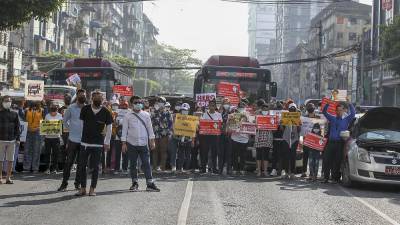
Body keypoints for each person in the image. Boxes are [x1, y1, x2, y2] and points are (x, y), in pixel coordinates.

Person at [75, 91, 113, 196]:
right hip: (85, 143)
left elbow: (109, 128)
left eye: (100, 98)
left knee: (95, 167)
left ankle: (92, 189)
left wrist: (107, 142)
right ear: (92, 98)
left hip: (98, 144)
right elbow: (81, 125)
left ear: (103, 99)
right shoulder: (85, 109)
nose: (98, 99)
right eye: (96, 97)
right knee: (82, 166)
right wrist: (81, 139)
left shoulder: (106, 111)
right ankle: (83, 188)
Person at [121, 96, 160, 192]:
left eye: (139, 102)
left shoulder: (146, 115)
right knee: (133, 164)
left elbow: (150, 128)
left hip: (143, 143)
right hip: (131, 143)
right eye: (136, 102)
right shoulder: (127, 115)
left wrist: (152, 141)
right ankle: (135, 183)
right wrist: (123, 143)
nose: (138, 104)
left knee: (146, 163)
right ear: (131, 104)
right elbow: (124, 130)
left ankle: (150, 183)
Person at [58, 89, 86, 192]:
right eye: (81, 95)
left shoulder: (88, 108)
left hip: (84, 141)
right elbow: (64, 121)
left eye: (84, 95)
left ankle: (77, 184)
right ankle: (64, 184)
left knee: (81, 164)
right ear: (77, 96)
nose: (82, 96)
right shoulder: (71, 107)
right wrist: (71, 129)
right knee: (69, 162)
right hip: (73, 140)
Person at [322, 100, 355, 184]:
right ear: (335, 111)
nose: (339, 112)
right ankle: (325, 177)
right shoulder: (332, 118)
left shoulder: (346, 119)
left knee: (337, 161)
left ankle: (334, 178)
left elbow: (353, 113)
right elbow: (324, 112)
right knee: (326, 160)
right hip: (331, 142)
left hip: (340, 143)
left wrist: (349, 104)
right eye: (338, 110)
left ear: (344, 110)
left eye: (341, 110)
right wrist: (329, 103)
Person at [0, 96, 20, 184]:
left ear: (11, 102)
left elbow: (17, 127)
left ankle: (8, 178)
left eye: (9, 101)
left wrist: (18, 138)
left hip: (12, 140)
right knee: (0, 160)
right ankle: (0, 178)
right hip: (1, 140)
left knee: (10, 160)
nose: (7, 102)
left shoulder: (15, 114)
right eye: (5, 101)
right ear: (2, 102)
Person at [151, 96, 173, 172]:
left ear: (164, 103)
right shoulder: (154, 112)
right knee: (155, 150)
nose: (160, 104)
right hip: (155, 134)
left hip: (164, 134)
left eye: (162, 102)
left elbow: (171, 124)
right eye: (159, 102)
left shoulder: (168, 113)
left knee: (163, 151)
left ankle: (162, 167)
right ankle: (154, 167)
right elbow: (150, 123)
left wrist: (169, 134)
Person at [200, 100, 222, 174]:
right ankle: (203, 169)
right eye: (210, 105)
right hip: (206, 136)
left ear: (215, 106)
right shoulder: (204, 114)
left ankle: (214, 169)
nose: (212, 107)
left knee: (214, 153)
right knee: (204, 152)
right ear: (208, 106)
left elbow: (220, 125)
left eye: (213, 105)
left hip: (215, 136)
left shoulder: (218, 115)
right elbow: (201, 124)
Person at [281, 103, 301, 179]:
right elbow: (282, 129)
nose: (292, 110)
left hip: (294, 139)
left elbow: (299, 130)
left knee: (293, 156)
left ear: (295, 110)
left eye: (294, 109)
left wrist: (298, 124)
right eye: (291, 109)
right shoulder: (285, 117)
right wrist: (281, 124)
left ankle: (292, 172)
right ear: (288, 110)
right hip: (286, 138)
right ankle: (286, 172)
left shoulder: (298, 118)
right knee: (286, 156)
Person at [301, 103, 321, 178]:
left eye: (311, 108)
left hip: (315, 141)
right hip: (306, 140)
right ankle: (304, 171)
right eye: (309, 108)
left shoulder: (318, 118)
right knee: (306, 156)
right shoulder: (304, 118)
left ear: (314, 109)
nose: (310, 109)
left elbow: (321, 129)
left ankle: (313, 173)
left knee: (314, 157)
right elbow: (302, 129)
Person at [254, 103, 274, 177]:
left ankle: (265, 171)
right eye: (263, 109)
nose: (265, 110)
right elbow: (254, 125)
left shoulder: (271, 117)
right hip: (259, 137)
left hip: (268, 138)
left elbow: (274, 128)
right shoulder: (257, 116)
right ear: (261, 109)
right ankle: (259, 170)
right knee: (258, 155)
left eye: (266, 109)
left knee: (266, 155)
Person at [230, 102, 249, 175]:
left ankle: (242, 169)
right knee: (234, 154)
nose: (241, 108)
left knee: (243, 155)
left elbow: (252, 124)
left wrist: (246, 118)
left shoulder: (248, 114)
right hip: (235, 137)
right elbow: (230, 124)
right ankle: (234, 168)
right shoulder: (233, 114)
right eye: (240, 106)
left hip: (244, 138)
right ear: (237, 107)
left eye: (242, 106)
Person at [24, 101, 43, 173]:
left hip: (38, 132)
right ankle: (26, 167)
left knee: (37, 150)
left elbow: (44, 122)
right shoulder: (26, 110)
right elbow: (23, 120)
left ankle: (35, 167)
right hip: (28, 131)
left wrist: (38, 128)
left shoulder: (42, 110)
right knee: (27, 149)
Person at [43, 104, 63, 174]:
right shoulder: (47, 116)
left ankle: (54, 168)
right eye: (52, 111)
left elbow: (61, 126)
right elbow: (44, 127)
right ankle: (47, 168)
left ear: (57, 110)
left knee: (56, 154)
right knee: (47, 153)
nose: (53, 112)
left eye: (54, 110)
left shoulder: (60, 116)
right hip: (48, 138)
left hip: (56, 137)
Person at [176, 103, 194, 173]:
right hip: (180, 139)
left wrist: (192, 141)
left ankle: (187, 169)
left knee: (188, 155)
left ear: (188, 110)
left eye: (186, 110)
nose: (184, 111)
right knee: (180, 154)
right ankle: (180, 168)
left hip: (188, 140)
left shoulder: (191, 119)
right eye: (183, 110)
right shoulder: (178, 118)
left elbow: (193, 131)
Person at [114, 100, 130, 175]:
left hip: (127, 136)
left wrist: (122, 122)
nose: (124, 106)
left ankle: (125, 168)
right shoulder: (117, 112)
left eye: (125, 105)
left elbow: (129, 122)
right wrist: (119, 121)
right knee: (117, 153)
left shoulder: (130, 112)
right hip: (118, 136)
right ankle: (116, 169)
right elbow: (115, 122)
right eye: (123, 105)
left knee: (126, 153)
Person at [218, 97, 232, 175]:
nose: (226, 105)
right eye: (225, 103)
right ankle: (220, 168)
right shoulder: (219, 113)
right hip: (221, 134)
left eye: (228, 103)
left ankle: (228, 168)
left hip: (230, 135)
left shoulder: (233, 112)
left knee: (228, 153)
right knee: (221, 152)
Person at [270, 101, 284, 176]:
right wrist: (275, 125)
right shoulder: (273, 117)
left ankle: (281, 170)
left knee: (281, 156)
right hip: (275, 139)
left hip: (282, 139)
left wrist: (281, 124)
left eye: (280, 108)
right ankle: (274, 169)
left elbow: (284, 130)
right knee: (274, 155)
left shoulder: (285, 117)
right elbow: (272, 131)